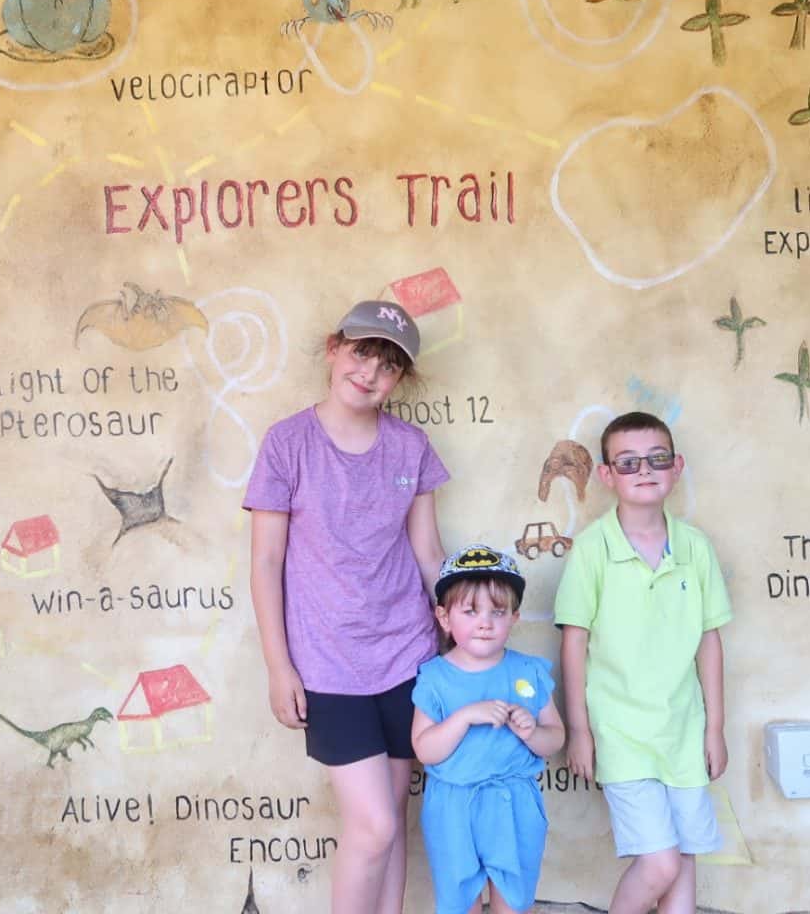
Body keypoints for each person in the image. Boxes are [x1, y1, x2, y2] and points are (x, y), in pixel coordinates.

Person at [244, 299, 449, 914]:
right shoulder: (287, 443)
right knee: (373, 827)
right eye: (362, 353)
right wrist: (279, 668)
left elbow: (430, 555)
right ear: (334, 350)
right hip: (328, 665)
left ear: (400, 380)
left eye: (388, 366)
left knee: (393, 824)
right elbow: (264, 563)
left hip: (409, 658)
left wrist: (464, 644)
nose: (370, 373)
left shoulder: (411, 447)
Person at [553, 411, 732, 914]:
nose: (644, 470)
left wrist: (713, 728)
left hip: (684, 729)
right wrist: (580, 730)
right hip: (621, 730)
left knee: (686, 852)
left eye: (656, 459)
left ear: (676, 466)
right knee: (660, 862)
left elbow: (709, 641)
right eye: (628, 463)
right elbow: (573, 642)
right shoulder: (592, 550)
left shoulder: (695, 548)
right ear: (607, 475)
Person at [411, 545, 566, 914]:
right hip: (453, 807)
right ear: (444, 617)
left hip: (514, 803)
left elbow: (555, 737)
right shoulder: (434, 678)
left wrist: (531, 732)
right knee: (458, 903)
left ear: (515, 617)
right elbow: (425, 750)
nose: (485, 622)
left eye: (497, 612)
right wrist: (464, 717)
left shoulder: (527, 672)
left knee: (513, 902)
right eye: (471, 611)